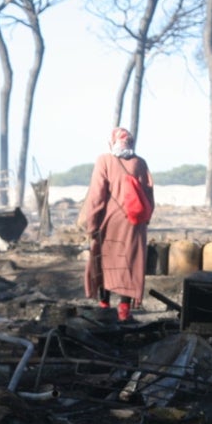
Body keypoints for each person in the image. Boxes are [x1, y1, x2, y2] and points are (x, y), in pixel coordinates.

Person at [76, 126, 154, 323]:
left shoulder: (104, 160)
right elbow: (149, 195)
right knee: (129, 263)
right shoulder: (141, 163)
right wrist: (145, 221)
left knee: (105, 262)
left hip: (110, 221)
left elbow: (96, 196)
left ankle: (104, 306)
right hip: (135, 224)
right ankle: (124, 310)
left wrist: (92, 225)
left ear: (112, 142)